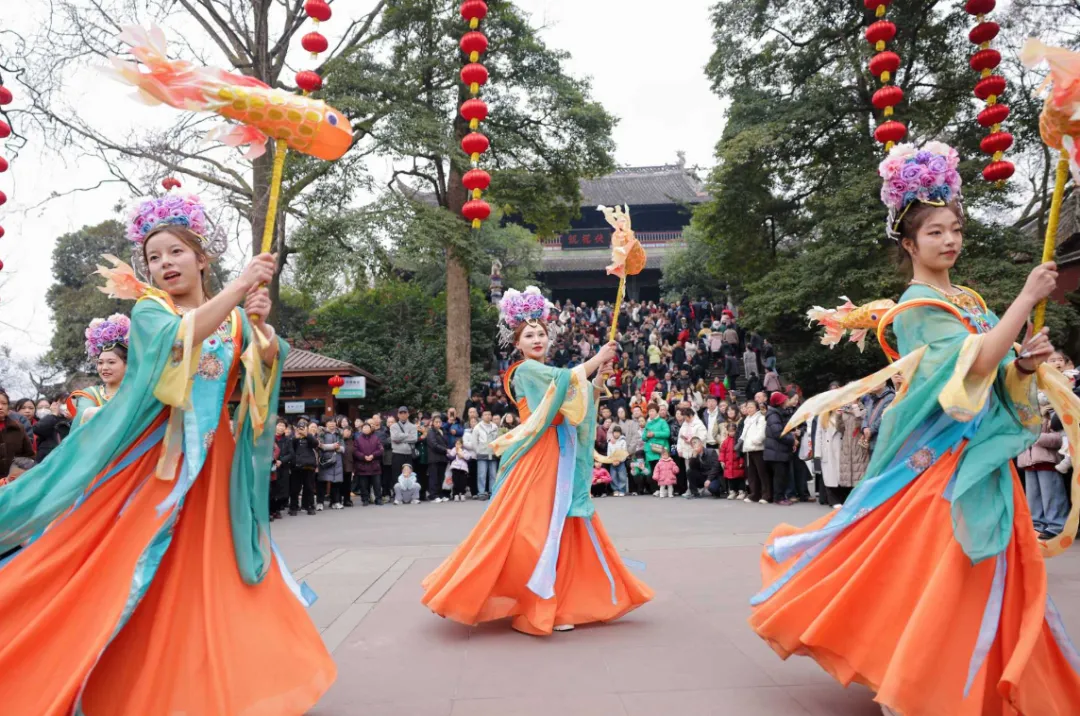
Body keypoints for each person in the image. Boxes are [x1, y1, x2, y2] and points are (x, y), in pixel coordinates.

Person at [749, 141, 1080, 714]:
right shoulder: (918, 305)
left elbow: (996, 371)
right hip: (938, 462)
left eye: (955, 229)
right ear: (909, 243)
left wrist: (1024, 365)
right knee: (937, 566)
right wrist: (1026, 299)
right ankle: (913, 681)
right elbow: (972, 366)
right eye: (935, 232)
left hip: (980, 459)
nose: (950, 240)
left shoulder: (968, 300)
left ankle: (956, 678)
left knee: (979, 568)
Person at [0, 193, 333, 712]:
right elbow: (179, 342)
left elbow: (264, 370)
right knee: (126, 562)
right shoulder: (152, 312)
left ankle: (222, 681)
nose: (165, 264)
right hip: (157, 463)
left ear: (201, 257)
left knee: (214, 568)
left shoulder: (234, 319)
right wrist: (240, 287)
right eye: (154, 258)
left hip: (215, 463)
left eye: (175, 252)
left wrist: (264, 330)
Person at [422, 286, 652, 635]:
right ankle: (534, 603)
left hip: (560, 452)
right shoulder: (525, 370)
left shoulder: (549, 371)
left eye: (541, 333)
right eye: (528, 335)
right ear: (517, 343)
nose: (536, 339)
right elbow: (564, 381)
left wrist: (596, 381)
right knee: (533, 529)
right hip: (537, 456)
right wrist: (595, 359)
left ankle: (559, 601)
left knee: (563, 526)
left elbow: (575, 402)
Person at [68, 313, 131, 426]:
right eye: (100, 363)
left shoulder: (138, 391)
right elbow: (85, 415)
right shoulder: (91, 394)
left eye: (111, 362)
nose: (104, 368)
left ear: (127, 364)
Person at [1018, 397, 1067, 540]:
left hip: (1047, 461)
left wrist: (1036, 437)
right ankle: (1036, 525)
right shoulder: (1024, 417)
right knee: (1033, 498)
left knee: (1052, 495)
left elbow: (1060, 439)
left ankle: (1056, 525)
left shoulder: (1051, 413)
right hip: (1028, 462)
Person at [763, 392, 796, 505]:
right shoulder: (773, 415)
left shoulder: (778, 413)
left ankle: (780, 496)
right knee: (779, 476)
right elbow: (778, 433)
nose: (787, 402)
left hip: (779, 450)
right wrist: (792, 439)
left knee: (782, 475)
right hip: (776, 451)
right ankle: (778, 498)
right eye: (785, 400)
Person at [0, 389, 35, 479]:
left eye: (4, 403)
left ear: (8, 408)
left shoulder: (18, 428)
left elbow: (28, 455)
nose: (0, 407)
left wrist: (17, 472)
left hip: (14, 481)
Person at [741, 399, 769, 503]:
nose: (749, 409)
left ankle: (766, 495)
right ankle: (754, 494)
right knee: (752, 474)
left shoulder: (761, 418)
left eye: (751, 407)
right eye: (747, 407)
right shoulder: (747, 419)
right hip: (748, 449)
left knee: (762, 473)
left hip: (758, 449)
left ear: (756, 408)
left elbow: (762, 433)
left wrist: (755, 441)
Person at [32, 395, 72, 463]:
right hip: (47, 460)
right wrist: (53, 415)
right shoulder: (51, 420)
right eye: (63, 403)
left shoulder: (74, 420)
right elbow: (37, 429)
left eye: (68, 403)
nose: (65, 406)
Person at [470, 410, 499, 499]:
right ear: (482, 416)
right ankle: (481, 493)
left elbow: (497, 439)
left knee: (493, 474)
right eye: (485, 414)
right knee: (482, 474)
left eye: (489, 414)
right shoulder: (477, 427)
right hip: (482, 453)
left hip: (492, 453)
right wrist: (478, 451)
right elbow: (474, 442)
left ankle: (492, 492)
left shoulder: (495, 426)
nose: (487, 416)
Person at [352, 420, 383, 506]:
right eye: (364, 428)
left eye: (367, 427)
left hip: (374, 465)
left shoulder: (376, 438)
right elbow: (355, 451)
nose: (366, 429)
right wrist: (363, 456)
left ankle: (378, 499)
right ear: (362, 429)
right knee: (363, 485)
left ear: (370, 429)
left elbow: (381, 449)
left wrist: (373, 455)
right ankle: (365, 499)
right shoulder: (358, 439)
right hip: (363, 465)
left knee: (377, 484)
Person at [293, 420, 320, 515]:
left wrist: (306, 434)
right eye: (299, 428)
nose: (301, 429)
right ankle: (293, 507)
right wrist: (295, 438)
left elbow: (315, 444)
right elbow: (290, 448)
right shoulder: (293, 437)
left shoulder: (310, 436)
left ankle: (309, 506)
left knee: (309, 487)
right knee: (295, 488)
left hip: (309, 466)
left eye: (303, 428)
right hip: (296, 466)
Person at [719, 407, 746, 499]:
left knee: (740, 478)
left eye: (733, 431)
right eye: (730, 431)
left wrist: (741, 461)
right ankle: (732, 491)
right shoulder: (725, 441)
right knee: (730, 479)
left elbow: (741, 451)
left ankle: (741, 491)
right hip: (728, 463)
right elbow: (722, 452)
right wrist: (722, 461)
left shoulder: (738, 440)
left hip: (737, 463)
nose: (731, 433)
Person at [390, 406, 417, 492]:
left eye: (405, 413)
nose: (403, 415)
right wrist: (407, 434)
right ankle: (397, 494)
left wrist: (400, 437)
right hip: (397, 453)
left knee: (409, 475)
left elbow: (414, 438)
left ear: (408, 414)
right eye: (401, 413)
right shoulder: (393, 426)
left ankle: (409, 494)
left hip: (408, 454)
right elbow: (394, 438)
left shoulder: (413, 426)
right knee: (396, 475)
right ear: (398, 415)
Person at [272, 419, 294, 519]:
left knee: (282, 491)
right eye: (279, 425)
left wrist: (281, 461)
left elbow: (291, 454)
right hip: (271, 468)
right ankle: (271, 511)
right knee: (272, 490)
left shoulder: (288, 440)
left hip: (283, 467)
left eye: (283, 426)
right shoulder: (269, 438)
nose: (281, 427)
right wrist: (273, 460)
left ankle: (277, 510)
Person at [425, 414, 449, 503]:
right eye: (436, 422)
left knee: (441, 478)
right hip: (434, 458)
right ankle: (433, 495)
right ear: (433, 423)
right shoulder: (431, 432)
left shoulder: (443, 431)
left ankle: (439, 494)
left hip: (443, 458)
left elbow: (446, 443)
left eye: (439, 422)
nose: (438, 424)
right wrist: (446, 450)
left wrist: (446, 450)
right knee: (434, 478)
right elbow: (434, 445)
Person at [606, 425, 628, 496]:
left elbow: (624, 452)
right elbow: (609, 453)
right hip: (612, 462)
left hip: (621, 462)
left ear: (620, 433)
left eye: (618, 432)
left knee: (622, 476)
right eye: (615, 432)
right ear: (613, 433)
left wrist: (619, 460)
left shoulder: (623, 441)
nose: (616, 434)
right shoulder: (610, 442)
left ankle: (622, 490)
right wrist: (612, 461)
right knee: (613, 476)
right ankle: (615, 490)